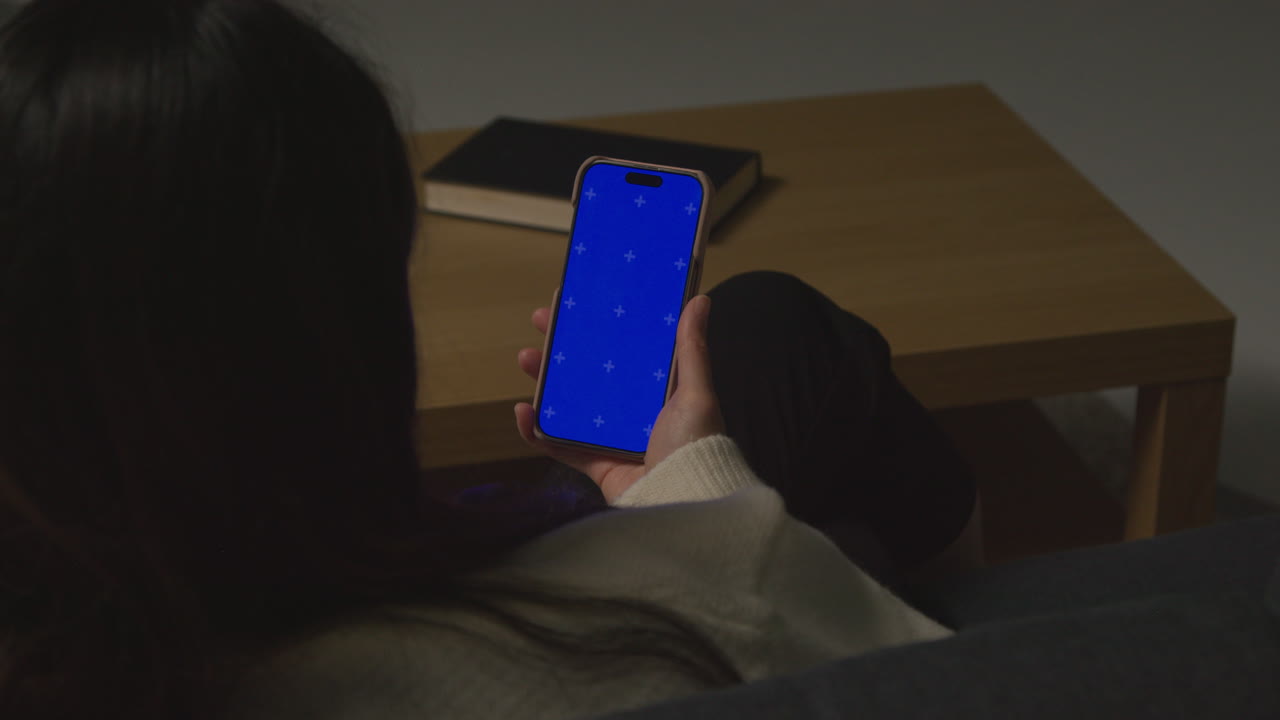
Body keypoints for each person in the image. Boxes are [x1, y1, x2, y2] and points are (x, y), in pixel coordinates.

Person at [0, 1, 979, 719]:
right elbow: (950, 679)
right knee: (779, 336)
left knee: (756, 335)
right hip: (764, 595)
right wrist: (698, 495)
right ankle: (938, 549)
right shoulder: (687, 601)